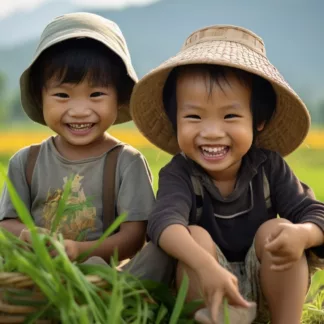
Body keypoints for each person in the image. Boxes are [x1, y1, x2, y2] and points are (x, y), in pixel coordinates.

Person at [129, 25, 324, 324]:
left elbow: (315, 214)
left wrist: (303, 234)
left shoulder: (269, 167)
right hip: (205, 290)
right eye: (193, 116)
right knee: (193, 236)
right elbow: (163, 222)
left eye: (230, 116)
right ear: (175, 121)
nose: (211, 132)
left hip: (267, 290)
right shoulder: (180, 172)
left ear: (258, 121)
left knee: (279, 230)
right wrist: (206, 267)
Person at [0, 12, 155, 264]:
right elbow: (6, 224)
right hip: (38, 274)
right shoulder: (25, 161)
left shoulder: (127, 162)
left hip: (103, 278)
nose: (80, 110)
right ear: (41, 98)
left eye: (96, 94)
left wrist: (79, 251)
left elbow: (134, 237)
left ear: (119, 97)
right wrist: (30, 236)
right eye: (62, 95)